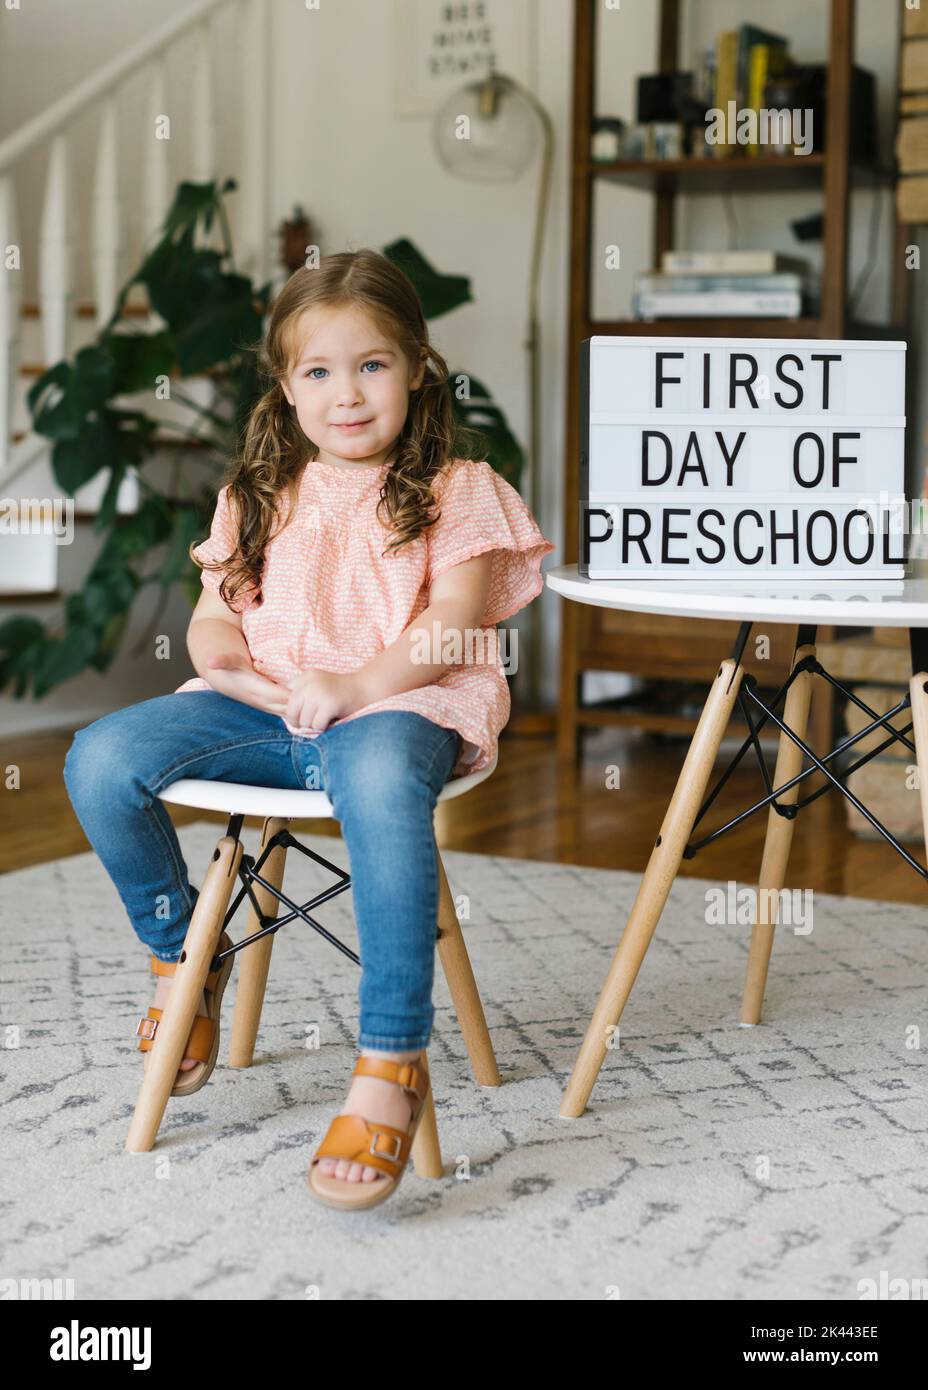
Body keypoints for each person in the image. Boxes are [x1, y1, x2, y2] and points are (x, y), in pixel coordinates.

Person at [63, 248, 555, 1210]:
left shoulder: (461, 489)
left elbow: (455, 623)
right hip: (273, 708)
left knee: (374, 785)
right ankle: (180, 959)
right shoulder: (256, 492)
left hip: (404, 704)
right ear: (286, 388)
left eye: (371, 365)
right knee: (102, 757)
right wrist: (218, 656)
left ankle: (389, 1061)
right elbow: (216, 612)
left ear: (417, 366)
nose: (348, 394)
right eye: (319, 372)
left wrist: (359, 683)